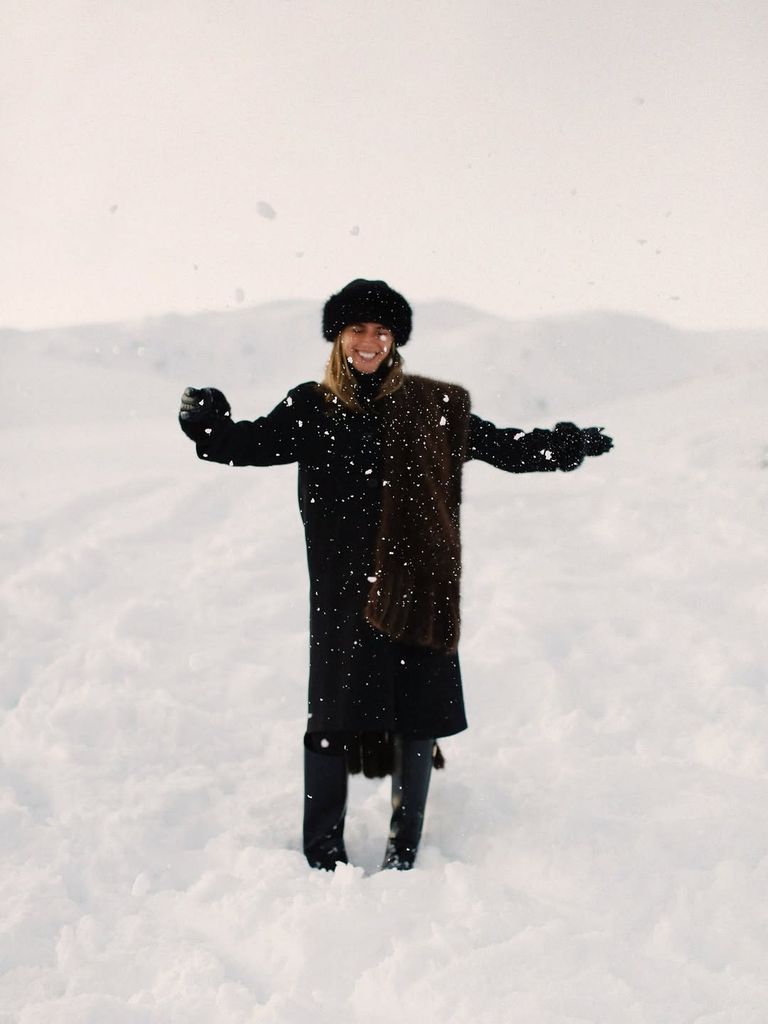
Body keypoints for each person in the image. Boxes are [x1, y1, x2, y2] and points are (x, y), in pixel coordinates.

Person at [178, 278, 613, 872]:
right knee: (332, 720)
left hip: (416, 586)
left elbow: (501, 446)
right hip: (341, 592)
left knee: (418, 715)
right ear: (338, 337)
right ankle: (322, 848)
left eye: (381, 331)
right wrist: (206, 422)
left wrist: (562, 445)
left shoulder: (429, 406)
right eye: (358, 329)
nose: (370, 341)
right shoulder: (311, 406)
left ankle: (403, 846)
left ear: (395, 341)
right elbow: (246, 443)